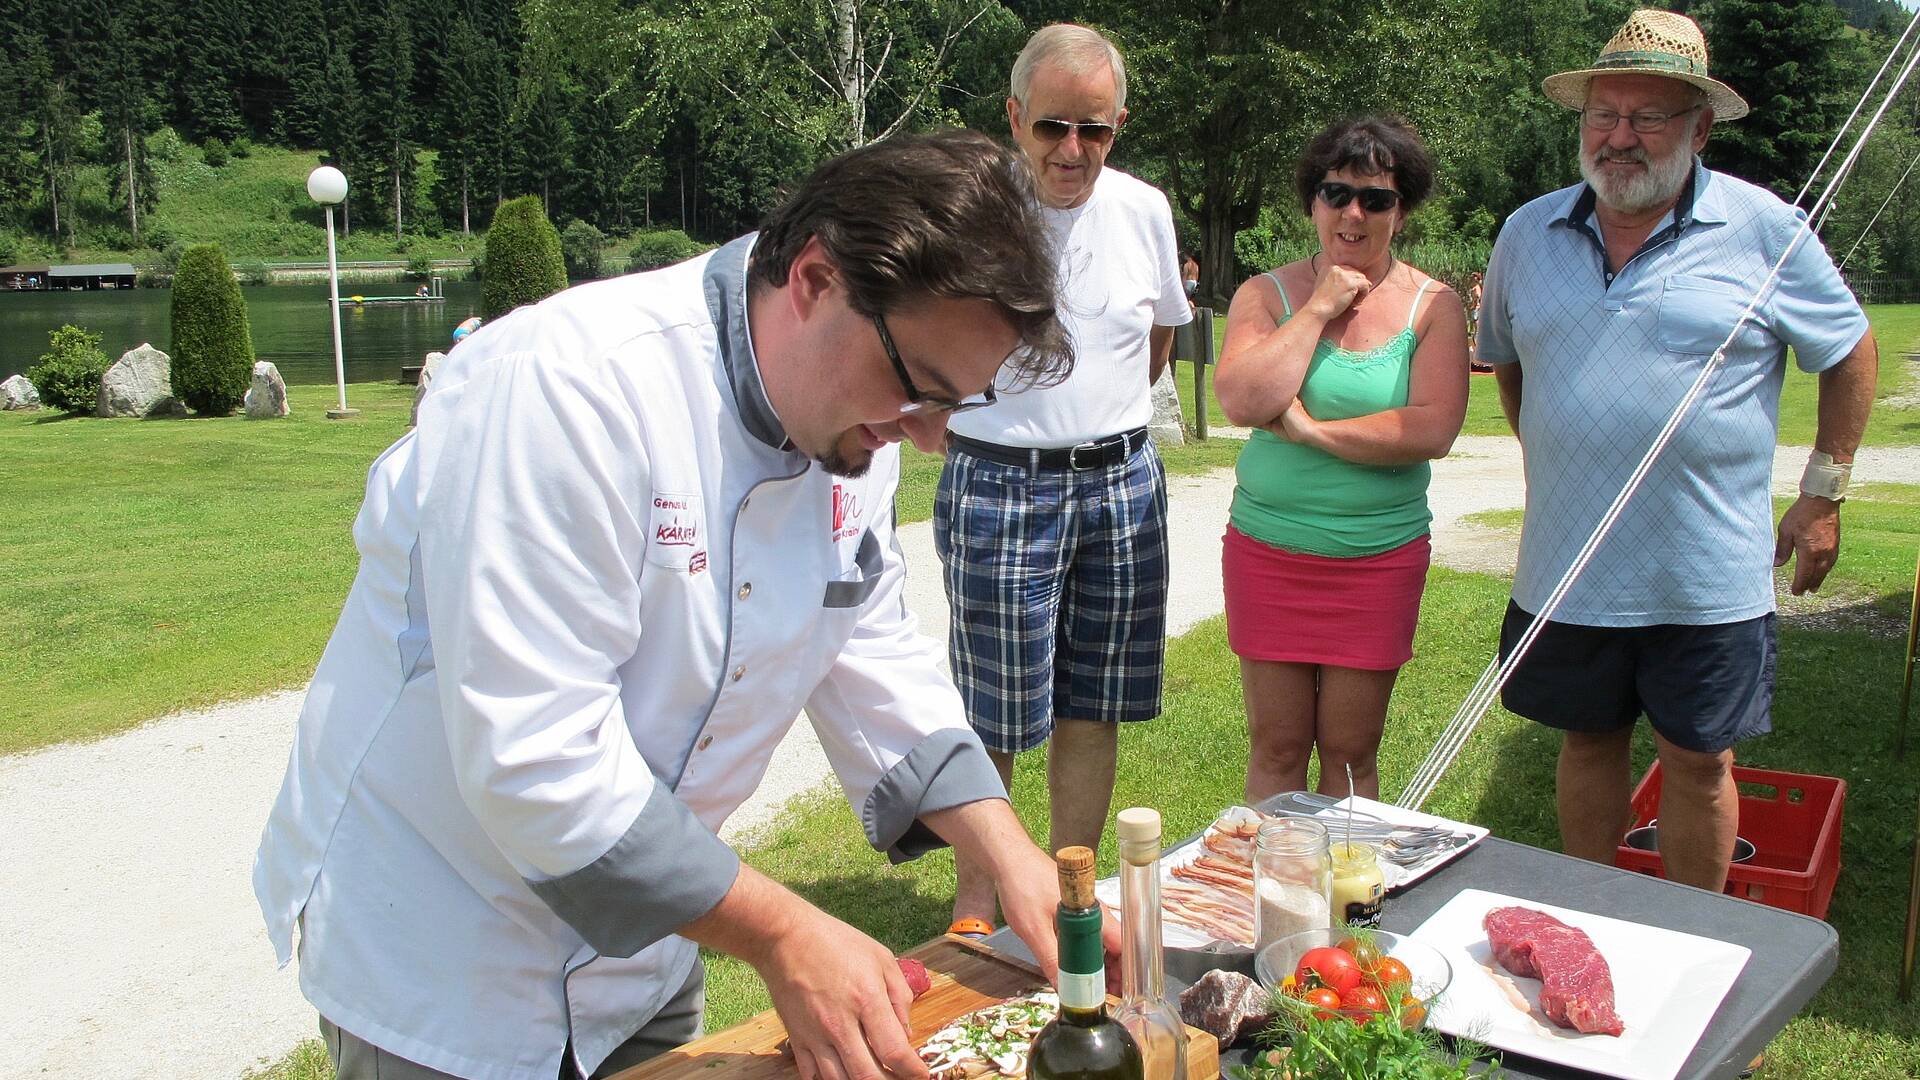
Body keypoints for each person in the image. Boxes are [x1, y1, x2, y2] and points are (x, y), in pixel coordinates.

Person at [254, 129, 1092, 1080]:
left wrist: (1007, 848)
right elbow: (536, 760)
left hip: (646, 947)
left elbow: (868, 647)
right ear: (816, 279)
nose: (931, 438)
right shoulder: (570, 387)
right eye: (920, 391)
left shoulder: (857, 420)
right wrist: (786, 936)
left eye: (959, 404)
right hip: (443, 952)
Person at [1477, 9, 1877, 893]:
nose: (1619, 137)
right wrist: (1565, 446)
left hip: (1706, 570)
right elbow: (1508, 367)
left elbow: (1849, 349)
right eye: (1602, 114)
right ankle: (1602, 920)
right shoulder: (1525, 235)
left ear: (1698, 128)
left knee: (1698, 762)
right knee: (1587, 742)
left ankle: (1700, 944)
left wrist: (1823, 493)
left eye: (1648, 116)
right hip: (1569, 564)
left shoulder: (1763, 229)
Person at [938, 23, 1191, 937]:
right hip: (1002, 481)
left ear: (1118, 124)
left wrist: (1099, 414)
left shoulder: (1146, 210)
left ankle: (1069, 893)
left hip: (1122, 483)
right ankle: (977, 906)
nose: (1073, 151)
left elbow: (1156, 338)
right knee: (993, 711)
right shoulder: (968, 209)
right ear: (1014, 118)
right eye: (1052, 128)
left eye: (1096, 129)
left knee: (1096, 699)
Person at [1212, 116, 1468, 802]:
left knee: (1353, 753)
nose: (1353, 212)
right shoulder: (1266, 295)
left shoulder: (1434, 305)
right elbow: (1241, 396)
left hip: (1376, 560)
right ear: (1312, 203)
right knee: (1277, 745)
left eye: (1375, 199)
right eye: (1336, 194)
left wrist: (1311, 432)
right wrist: (1319, 307)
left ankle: (1350, 908)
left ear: (1401, 211)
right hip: (1270, 553)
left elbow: (1431, 428)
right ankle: (1275, 904)